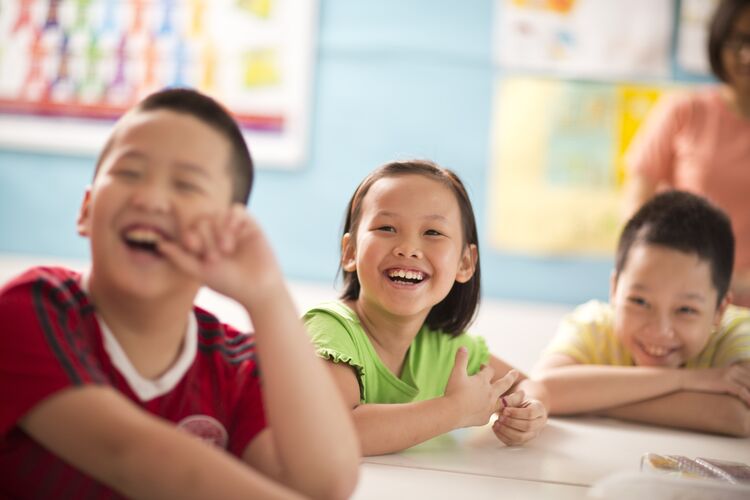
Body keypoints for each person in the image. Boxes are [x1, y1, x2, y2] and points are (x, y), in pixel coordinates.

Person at [0, 88, 359, 499]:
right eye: (130, 172)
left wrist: (267, 297)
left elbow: (326, 482)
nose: (151, 199)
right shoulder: (29, 309)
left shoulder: (237, 365)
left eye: (186, 185)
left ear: (228, 229)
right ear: (86, 209)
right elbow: (132, 456)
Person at [303, 160, 548, 456]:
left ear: (465, 262)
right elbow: (334, 432)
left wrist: (528, 413)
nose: (408, 248)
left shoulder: (445, 347)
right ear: (350, 251)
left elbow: (529, 387)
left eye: (432, 232)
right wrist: (455, 410)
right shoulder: (329, 330)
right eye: (386, 227)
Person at [534, 190, 750, 436]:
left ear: (719, 310)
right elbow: (544, 388)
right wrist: (688, 380)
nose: (659, 330)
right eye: (639, 301)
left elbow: (737, 416)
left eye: (686, 310)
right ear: (615, 290)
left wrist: (593, 399)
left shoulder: (737, 333)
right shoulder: (593, 324)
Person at [623, 0, 750, 306]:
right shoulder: (684, 111)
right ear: (718, 41)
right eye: (737, 41)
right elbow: (635, 209)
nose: (746, 55)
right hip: (681, 301)